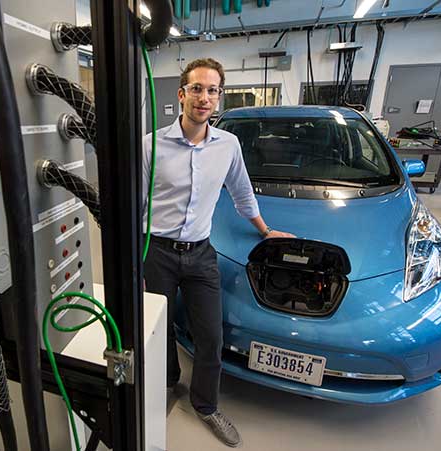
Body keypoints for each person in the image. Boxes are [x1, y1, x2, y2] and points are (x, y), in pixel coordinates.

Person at [142, 58, 294, 448]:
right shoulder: (151, 146)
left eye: (212, 90)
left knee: (210, 335)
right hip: (156, 251)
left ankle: (206, 405)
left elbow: (242, 192)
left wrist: (265, 230)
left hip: (200, 254)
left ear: (219, 97)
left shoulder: (228, 145)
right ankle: (167, 381)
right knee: (158, 329)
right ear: (181, 94)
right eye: (196, 88)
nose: (204, 97)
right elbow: (135, 202)